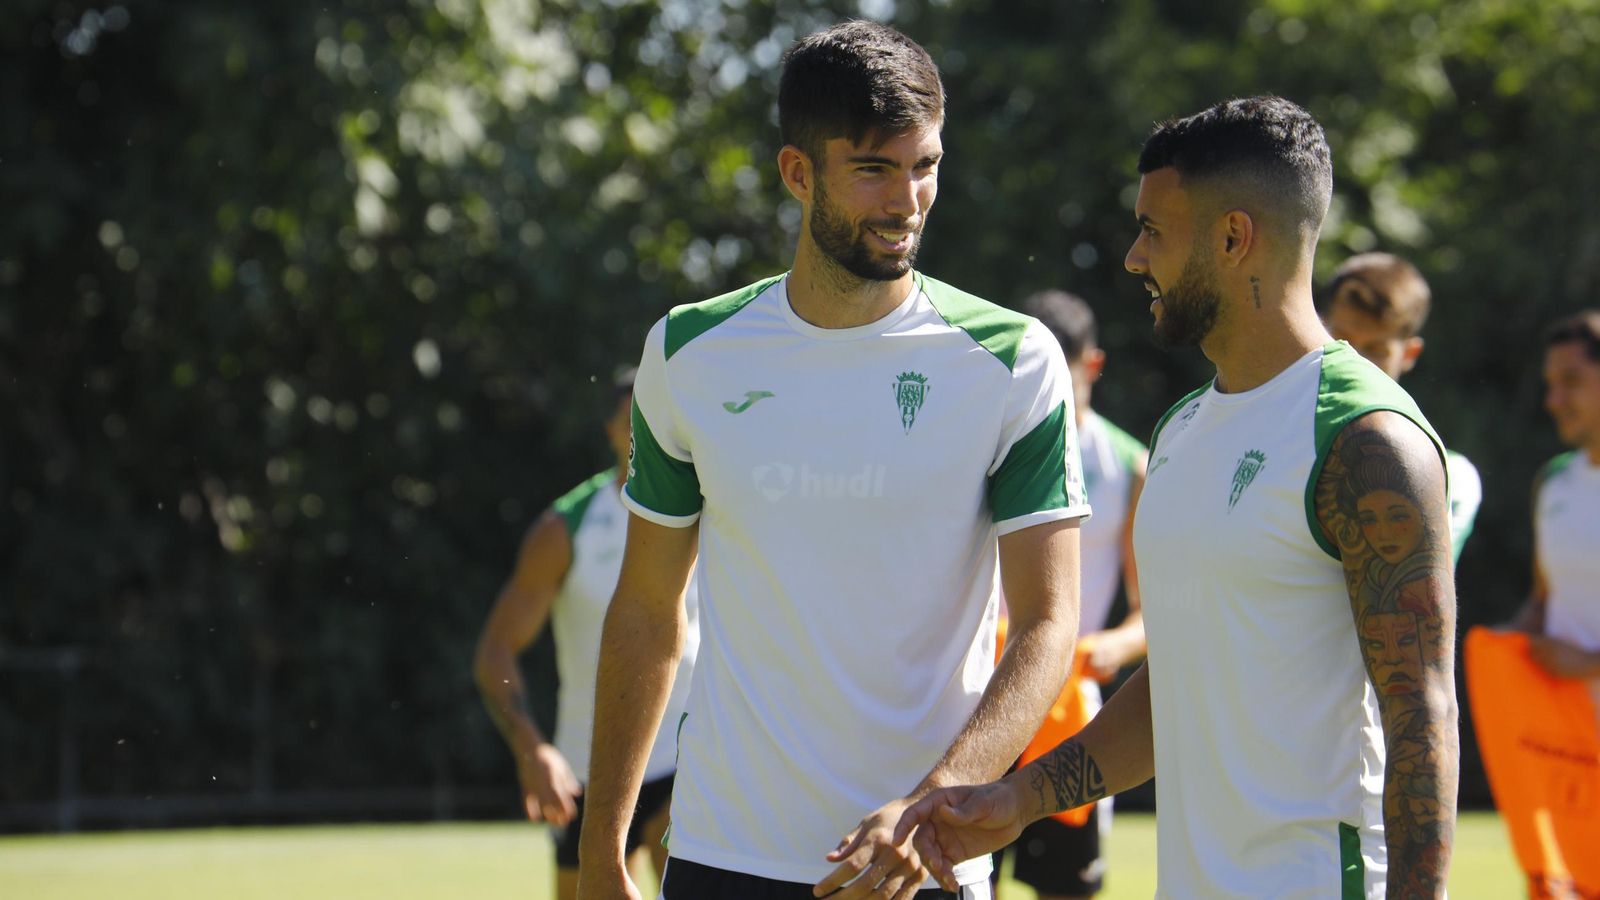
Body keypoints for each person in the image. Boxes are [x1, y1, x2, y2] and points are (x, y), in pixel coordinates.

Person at [576, 21, 1090, 900]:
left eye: (925, 166)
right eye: (874, 170)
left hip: (919, 864)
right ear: (797, 173)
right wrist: (602, 845)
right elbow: (647, 611)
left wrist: (930, 809)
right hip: (721, 853)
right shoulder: (689, 353)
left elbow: (1048, 623)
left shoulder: (1013, 360)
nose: (908, 201)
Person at [897, 96, 1459, 898]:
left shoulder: (1366, 439)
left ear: (1233, 238)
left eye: (1153, 229)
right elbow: (1181, 688)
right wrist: (1018, 799)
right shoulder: (1181, 430)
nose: (1132, 257)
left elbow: (1421, 718)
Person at [473, 369, 698, 900]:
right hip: (591, 766)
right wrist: (533, 750)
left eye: (655, 416)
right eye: (630, 419)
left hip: (688, 755)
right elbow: (494, 652)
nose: (645, 429)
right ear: (611, 431)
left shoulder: (714, 508)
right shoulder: (565, 528)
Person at [991, 291, 1148, 900]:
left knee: (1068, 891)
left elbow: (1151, 613)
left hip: (1067, 709)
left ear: (1094, 365)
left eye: (1065, 367)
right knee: (959, 876)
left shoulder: (1130, 465)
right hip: (974, 699)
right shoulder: (982, 445)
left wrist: (1105, 647)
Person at [1320, 252, 1483, 562]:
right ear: (1316, 330)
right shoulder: (1266, 425)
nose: (1353, 363)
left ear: (1409, 353)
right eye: (1341, 341)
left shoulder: (1450, 477)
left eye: (1375, 350)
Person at [1507, 310, 1600, 690]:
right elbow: (1544, 601)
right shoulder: (1552, 481)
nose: (1554, 400)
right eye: (1550, 384)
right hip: (1558, 740)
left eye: (1571, 381)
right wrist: (1501, 642)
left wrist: (1591, 664)